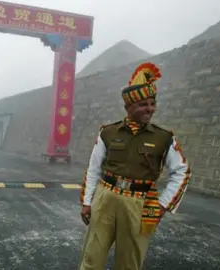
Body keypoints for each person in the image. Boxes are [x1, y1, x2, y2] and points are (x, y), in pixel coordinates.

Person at [78, 62, 192, 270]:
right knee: (92, 258)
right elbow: (93, 169)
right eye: (143, 104)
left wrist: (162, 205)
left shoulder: (163, 137)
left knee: (129, 262)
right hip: (105, 198)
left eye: (152, 103)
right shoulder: (108, 132)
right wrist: (87, 202)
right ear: (127, 107)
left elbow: (182, 171)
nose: (149, 109)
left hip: (141, 203)